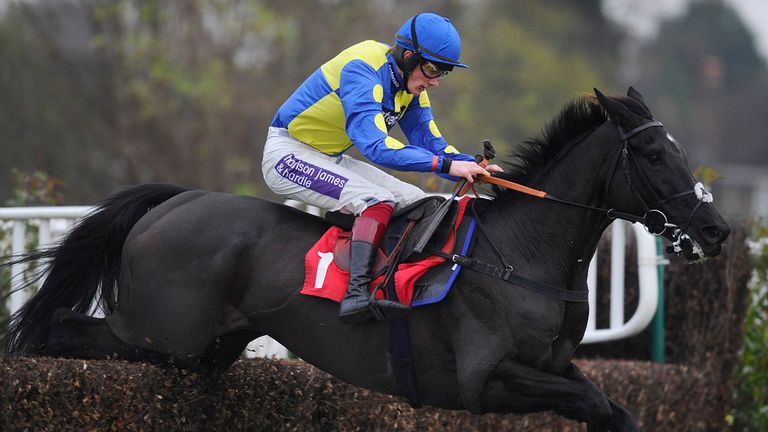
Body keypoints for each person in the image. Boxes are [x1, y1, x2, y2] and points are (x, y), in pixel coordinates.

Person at [262, 12, 503, 324]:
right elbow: (375, 146)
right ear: (407, 56)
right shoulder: (362, 69)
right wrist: (446, 165)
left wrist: (471, 165)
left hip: (328, 157)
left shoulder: (410, 85)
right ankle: (356, 295)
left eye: (443, 73)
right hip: (287, 154)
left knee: (418, 201)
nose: (435, 81)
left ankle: (392, 279)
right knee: (377, 201)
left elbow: (432, 144)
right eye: (432, 69)